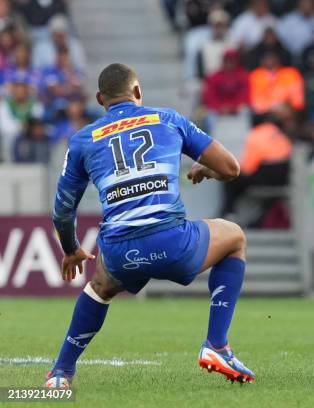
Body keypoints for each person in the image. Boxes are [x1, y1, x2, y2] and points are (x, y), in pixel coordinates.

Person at [45, 63, 255, 388]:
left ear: (101, 98)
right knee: (235, 237)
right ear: (138, 92)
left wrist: (71, 249)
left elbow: (62, 210)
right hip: (173, 243)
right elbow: (231, 168)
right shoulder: (167, 119)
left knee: (100, 286)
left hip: (120, 253)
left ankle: (61, 374)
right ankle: (217, 345)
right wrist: (206, 169)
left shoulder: (83, 140)